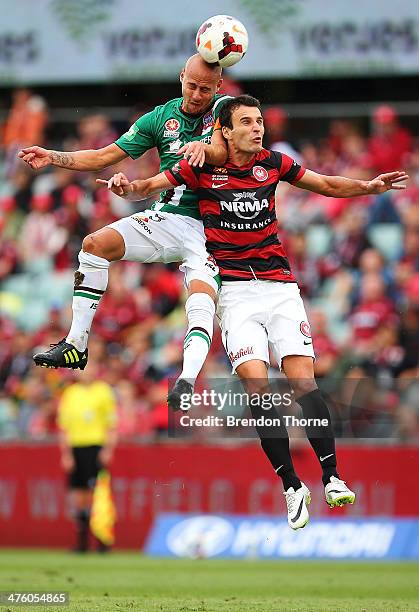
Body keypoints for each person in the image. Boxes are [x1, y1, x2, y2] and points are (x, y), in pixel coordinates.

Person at [102, 94, 408, 529]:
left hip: (280, 288)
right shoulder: (199, 168)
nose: (257, 127)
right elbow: (151, 186)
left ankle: (332, 477)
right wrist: (127, 187)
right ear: (225, 130)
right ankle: (290, 486)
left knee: (304, 382)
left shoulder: (275, 163)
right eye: (246, 122)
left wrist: (368, 187)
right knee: (258, 390)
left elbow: (325, 184)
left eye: (259, 120)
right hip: (237, 296)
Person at [18, 55, 230, 408]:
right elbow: (104, 156)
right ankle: (76, 344)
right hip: (170, 218)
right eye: (191, 86)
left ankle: (187, 380)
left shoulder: (225, 110)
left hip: (214, 227)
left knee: (201, 298)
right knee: (93, 245)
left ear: (218, 87)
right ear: (181, 78)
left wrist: (203, 148)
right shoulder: (161, 118)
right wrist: (53, 157)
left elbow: (223, 153)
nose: (196, 95)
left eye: (205, 89)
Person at [57, 362, 117, 551]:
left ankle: (102, 539)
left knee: (97, 495)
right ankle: (82, 542)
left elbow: (111, 425)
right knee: (78, 495)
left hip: (95, 446)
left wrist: (108, 450)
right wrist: (66, 454)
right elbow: (64, 427)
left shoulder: (103, 391)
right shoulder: (70, 393)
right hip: (76, 446)